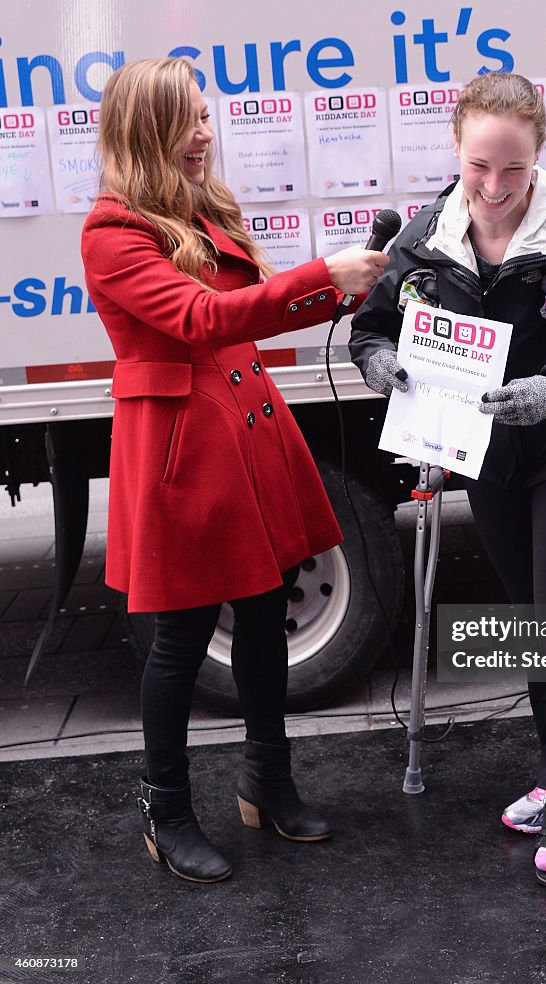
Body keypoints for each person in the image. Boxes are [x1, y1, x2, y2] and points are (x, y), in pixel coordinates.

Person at [349, 72, 546, 888]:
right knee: (534, 624)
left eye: (513, 170)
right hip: (482, 453)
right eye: (478, 167)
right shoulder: (430, 231)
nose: (493, 189)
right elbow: (372, 325)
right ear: (456, 151)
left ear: (538, 158)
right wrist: (381, 362)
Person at [81, 57, 388, 884]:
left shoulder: (200, 208)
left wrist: (336, 292)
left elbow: (244, 312)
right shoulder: (112, 232)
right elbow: (199, 319)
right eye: (188, 120)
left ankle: (266, 779)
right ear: (146, 131)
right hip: (184, 447)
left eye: (206, 117)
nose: (206, 133)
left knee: (263, 611)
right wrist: (322, 277)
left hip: (246, 429)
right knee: (179, 640)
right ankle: (165, 810)